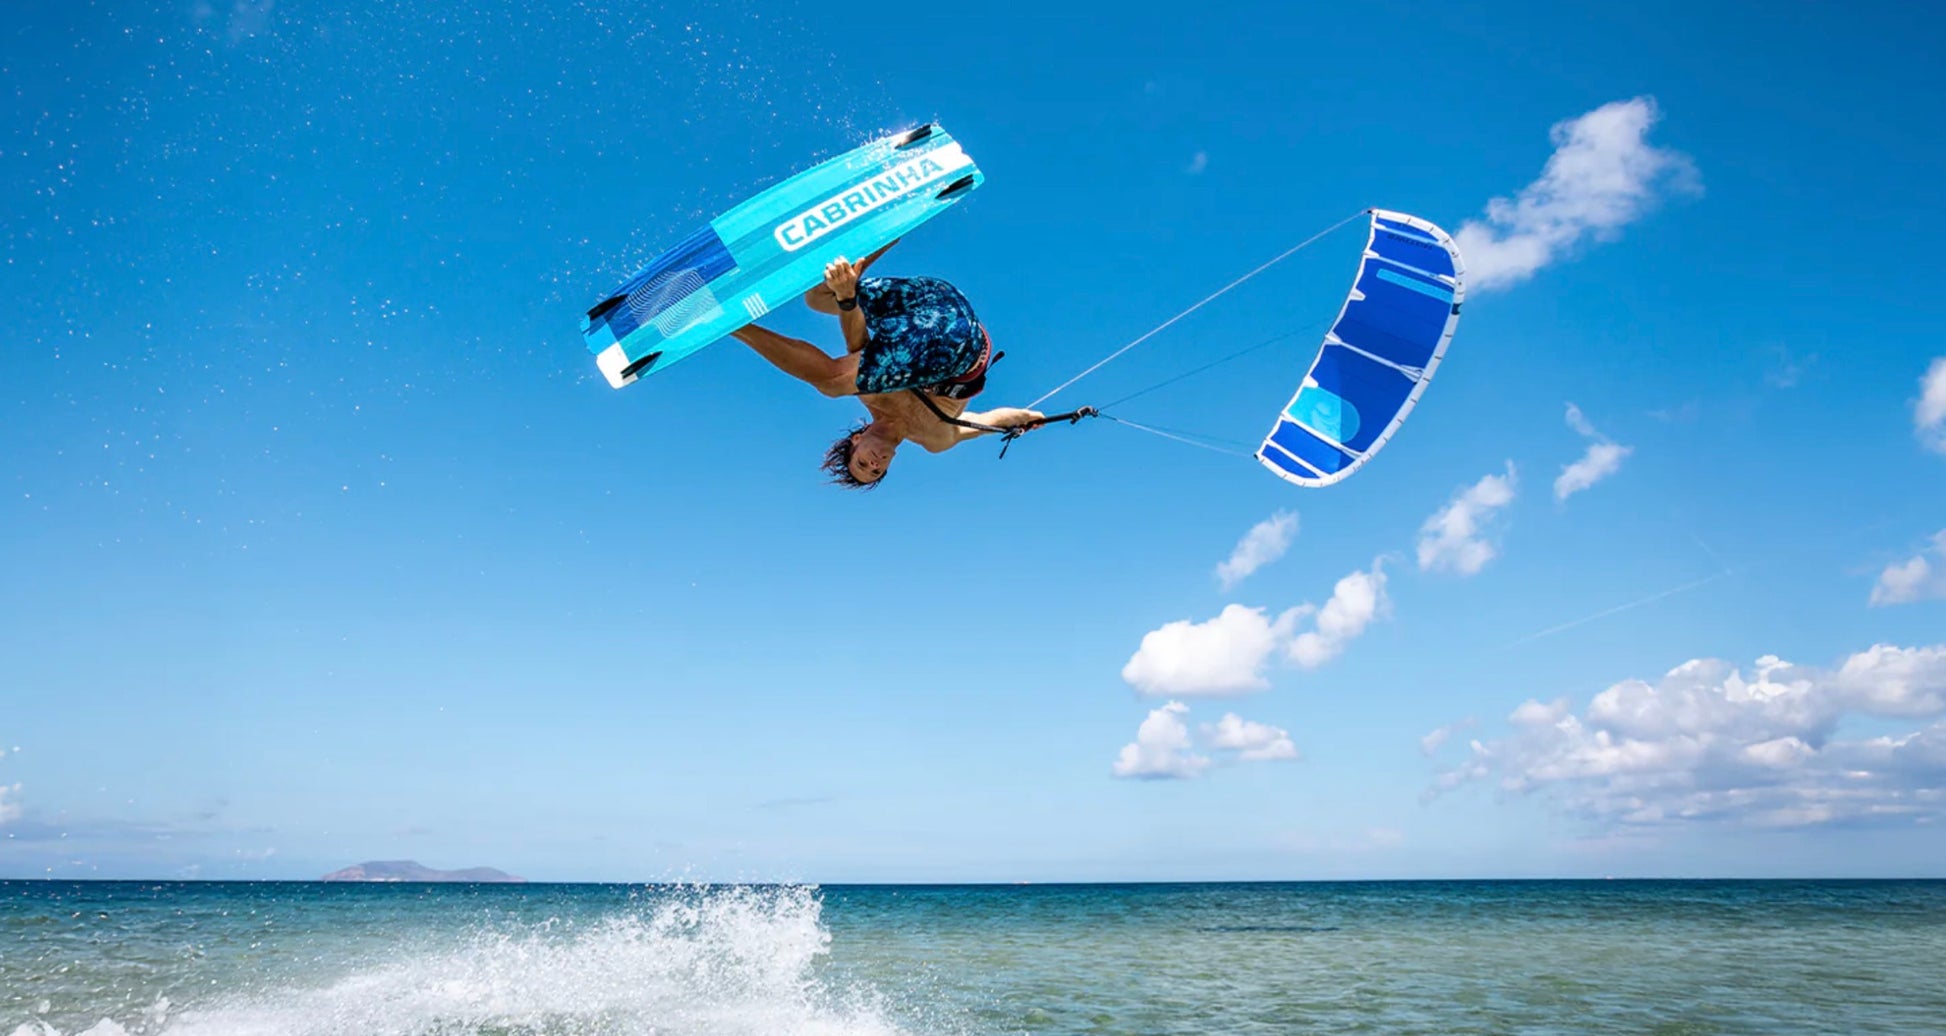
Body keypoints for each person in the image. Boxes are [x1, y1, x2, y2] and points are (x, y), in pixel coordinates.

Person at [731, 240, 1047, 488]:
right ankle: (735, 325)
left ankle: (887, 227)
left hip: (933, 300)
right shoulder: (934, 438)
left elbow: (857, 342)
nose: (874, 463)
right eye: (877, 471)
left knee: (818, 298)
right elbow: (987, 420)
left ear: (856, 440)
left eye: (862, 463)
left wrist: (846, 296)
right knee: (833, 382)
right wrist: (1027, 416)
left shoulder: (871, 394)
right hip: (961, 346)